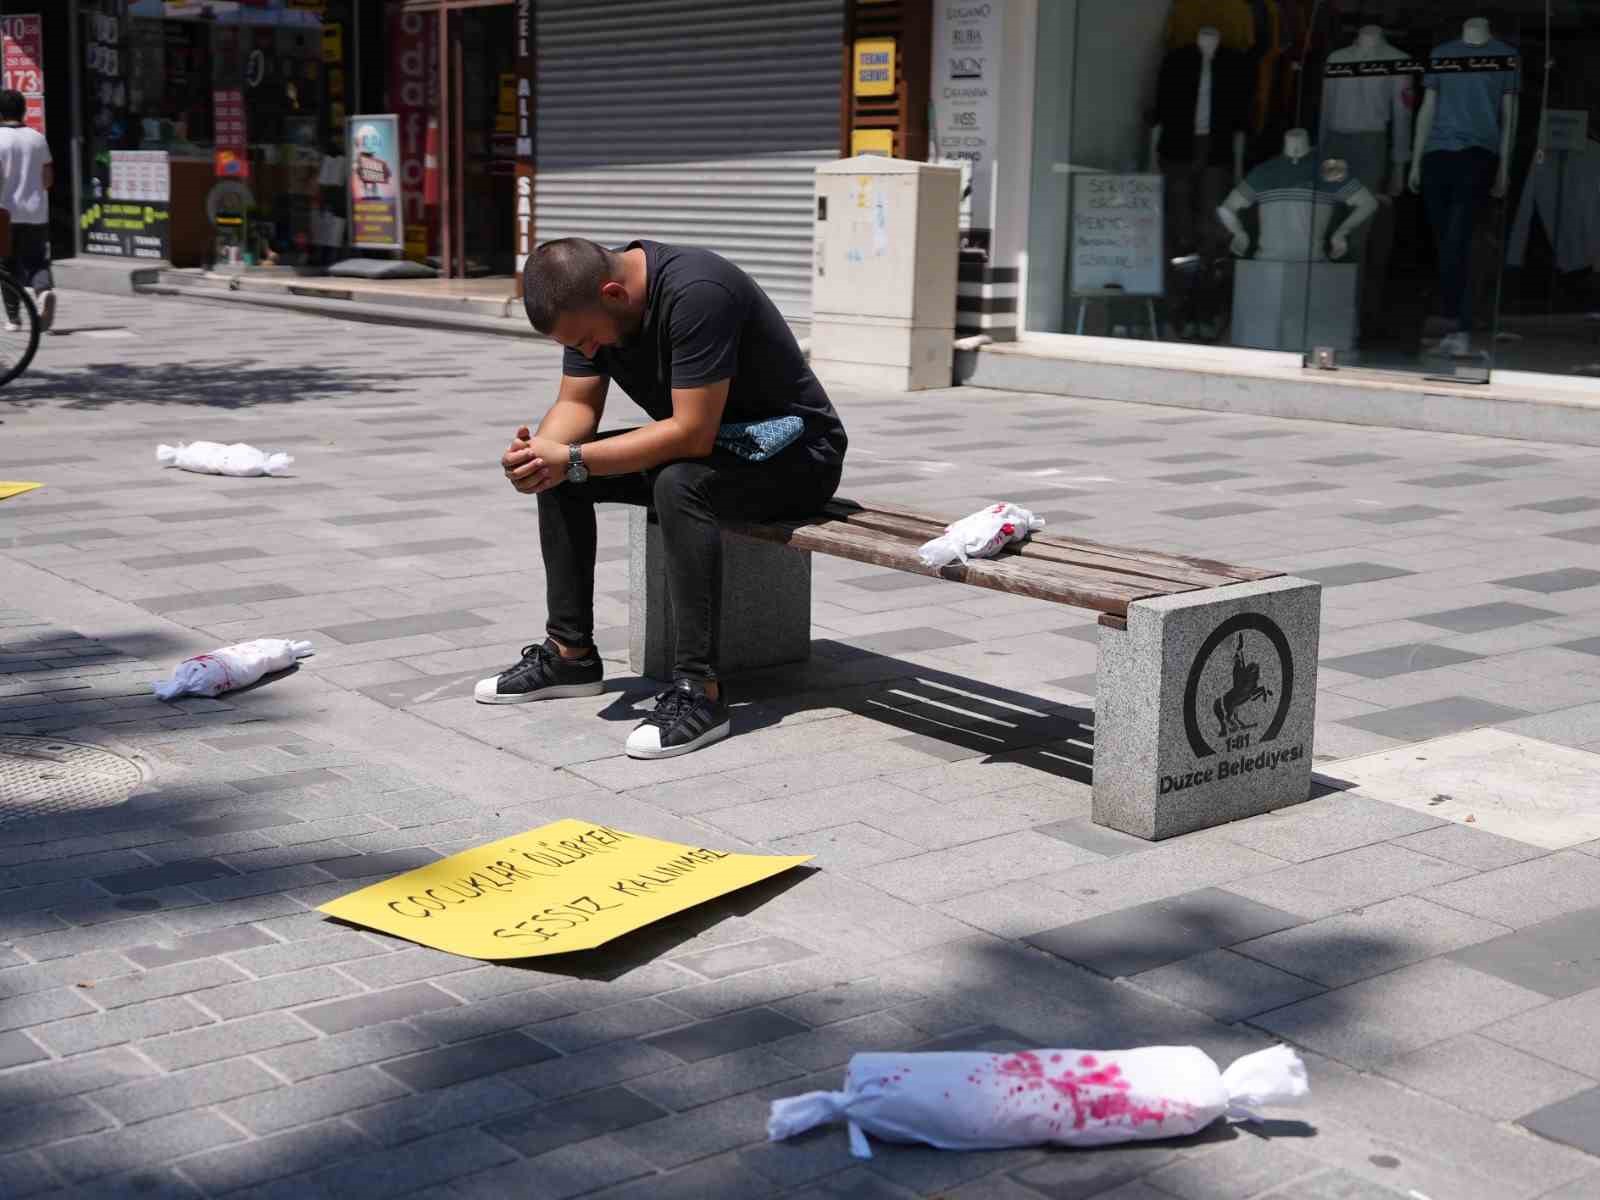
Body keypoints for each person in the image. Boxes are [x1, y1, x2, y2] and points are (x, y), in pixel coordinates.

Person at [478, 237, 847, 759]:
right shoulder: (585, 303)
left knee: (679, 481)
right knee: (560, 474)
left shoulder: (698, 293)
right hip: (716, 448)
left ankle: (701, 691)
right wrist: (542, 456)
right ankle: (571, 654)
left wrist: (574, 458)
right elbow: (576, 404)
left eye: (585, 340)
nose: (586, 352)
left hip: (797, 457)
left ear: (613, 294)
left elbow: (691, 434)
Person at [0, 89, 53, 333]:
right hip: (36, 212)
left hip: (5, 212)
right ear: (23, 111)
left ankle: (14, 318)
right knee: (37, 261)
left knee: (6, 266)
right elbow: (48, 179)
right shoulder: (37, 138)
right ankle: (44, 292)